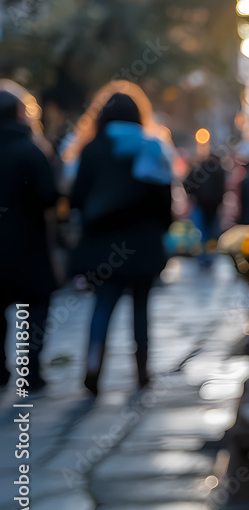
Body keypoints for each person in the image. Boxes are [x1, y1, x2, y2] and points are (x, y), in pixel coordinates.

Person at [68, 84, 173, 395]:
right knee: (141, 309)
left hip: (102, 245)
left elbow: (76, 198)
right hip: (142, 245)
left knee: (102, 306)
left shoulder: (92, 149)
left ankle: (92, 366)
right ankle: (142, 370)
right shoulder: (152, 148)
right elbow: (164, 201)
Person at [0, 90, 58, 393]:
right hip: (28, 246)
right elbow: (49, 195)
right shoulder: (31, 150)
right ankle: (31, 371)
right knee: (35, 311)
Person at [183, 153, 227, 267]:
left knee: (205, 233)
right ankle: (206, 256)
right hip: (206, 206)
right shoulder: (217, 170)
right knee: (206, 233)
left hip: (205, 206)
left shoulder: (204, 170)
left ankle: (205, 257)